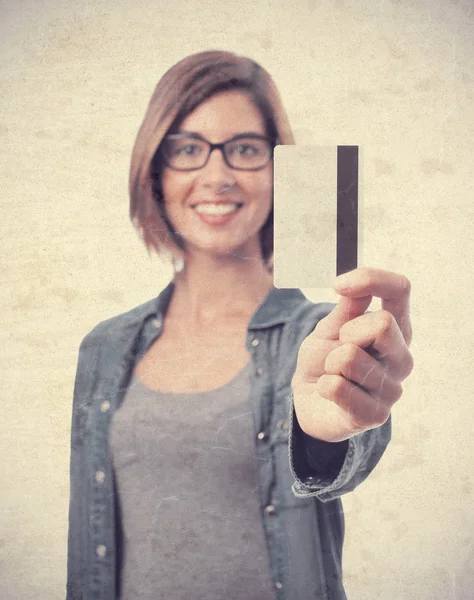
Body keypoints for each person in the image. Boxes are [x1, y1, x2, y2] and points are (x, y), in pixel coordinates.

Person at [66, 50, 413, 600]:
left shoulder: (321, 336)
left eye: (245, 149)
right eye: (187, 149)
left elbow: (345, 447)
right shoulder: (104, 348)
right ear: (155, 171)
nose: (217, 175)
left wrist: (325, 434)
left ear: (283, 174)